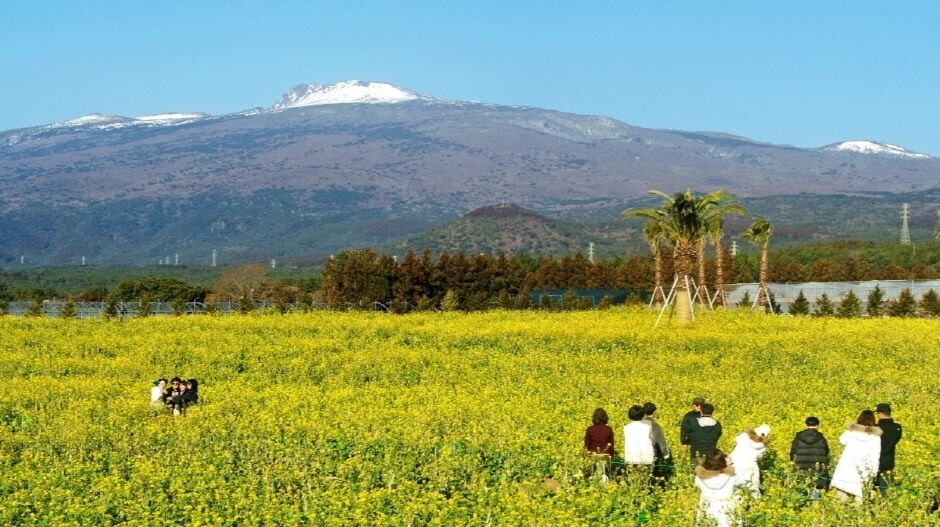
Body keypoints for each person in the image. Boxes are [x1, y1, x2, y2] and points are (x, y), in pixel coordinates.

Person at [830, 410, 882, 502]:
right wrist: (874, 472)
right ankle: (857, 515)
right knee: (860, 495)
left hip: (847, 467)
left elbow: (841, 440)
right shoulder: (875, 437)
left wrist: (852, 425)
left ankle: (839, 515)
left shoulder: (851, 432)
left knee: (841, 495)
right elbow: (876, 455)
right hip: (863, 470)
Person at [694, 450, 740, 527]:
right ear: (723, 462)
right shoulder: (732, 476)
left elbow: (697, 484)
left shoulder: (699, 477)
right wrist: (730, 464)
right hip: (727, 512)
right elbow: (740, 481)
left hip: (707, 510)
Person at [789, 416, 830, 499]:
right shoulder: (820, 437)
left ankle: (801, 504)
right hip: (817, 467)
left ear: (806, 424)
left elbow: (793, 450)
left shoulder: (799, 436)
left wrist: (792, 461)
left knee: (802, 485)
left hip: (801, 466)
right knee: (817, 486)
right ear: (818, 425)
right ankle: (815, 506)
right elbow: (826, 450)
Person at [728, 424, 770, 498]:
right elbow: (760, 457)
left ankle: (737, 505)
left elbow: (736, 439)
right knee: (753, 487)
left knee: (735, 486)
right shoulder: (762, 445)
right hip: (750, 466)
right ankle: (755, 504)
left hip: (734, 463)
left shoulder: (744, 436)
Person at [643, 402, 674, 483]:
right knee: (651, 475)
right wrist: (666, 455)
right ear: (654, 412)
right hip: (651, 455)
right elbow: (660, 441)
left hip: (636, 455)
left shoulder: (638, 424)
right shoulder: (655, 425)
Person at [875, 403, 902, 493]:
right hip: (888, 460)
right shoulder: (897, 427)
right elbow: (895, 440)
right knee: (885, 489)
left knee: (872, 488)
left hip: (874, 460)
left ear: (880, 413)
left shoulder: (875, 428)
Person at [584, 408, 615, 481]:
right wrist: (612, 457)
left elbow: (586, 446)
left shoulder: (590, 429)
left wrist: (585, 457)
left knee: (592, 473)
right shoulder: (609, 429)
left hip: (593, 455)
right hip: (606, 456)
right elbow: (611, 445)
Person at [687, 403, 722, 467]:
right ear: (712, 412)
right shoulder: (717, 425)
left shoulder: (693, 423)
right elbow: (718, 436)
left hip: (696, 456)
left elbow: (689, 436)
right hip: (712, 457)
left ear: (701, 412)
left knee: (697, 476)